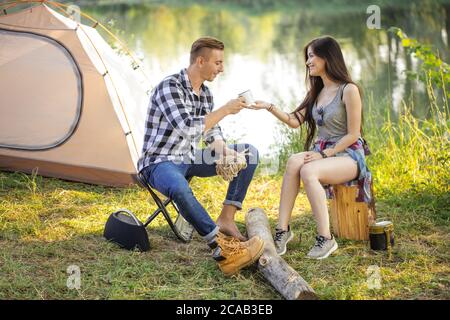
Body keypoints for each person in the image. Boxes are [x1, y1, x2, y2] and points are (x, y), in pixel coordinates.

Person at [137, 37, 264, 276]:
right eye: (218, 63)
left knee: (250, 153)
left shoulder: (205, 94)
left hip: (189, 157)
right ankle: (221, 247)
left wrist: (225, 151)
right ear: (200, 60)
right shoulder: (170, 87)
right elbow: (186, 127)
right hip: (158, 162)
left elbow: (211, 132)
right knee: (179, 187)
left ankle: (226, 219)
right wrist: (225, 110)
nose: (221, 68)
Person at [250, 36, 372, 259]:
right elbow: (294, 120)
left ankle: (326, 238)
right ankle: (283, 231)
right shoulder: (316, 91)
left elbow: (354, 134)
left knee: (308, 170)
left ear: (327, 57)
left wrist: (324, 154)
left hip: (349, 155)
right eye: (307, 57)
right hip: (324, 154)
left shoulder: (349, 90)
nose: (307, 62)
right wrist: (268, 106)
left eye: (312, 56)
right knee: (293, 161)